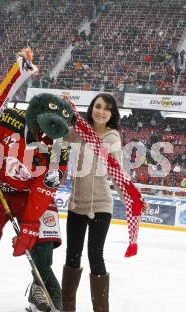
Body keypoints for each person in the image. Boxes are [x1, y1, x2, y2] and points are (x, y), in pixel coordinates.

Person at [0, 94, 76, 312]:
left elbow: (44, 189)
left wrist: (31, 225)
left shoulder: (59, 149)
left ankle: (37, 286)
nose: (46, 140)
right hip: (1, 189)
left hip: (33, 196)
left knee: (44, 239)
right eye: (42, 132)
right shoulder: (7, 119)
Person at [61, 94, 146, 312]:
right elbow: (59, 133)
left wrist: (132, 196)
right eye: (98, 106)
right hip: (76, 205)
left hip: (101, 206)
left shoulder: (112, 138)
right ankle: (67, 307)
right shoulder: (79, 131)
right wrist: (61, 109)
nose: (101, 111)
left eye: (107, 109)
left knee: (95, 255)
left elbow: (117, 173)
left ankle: (101, 309)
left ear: (111, 114)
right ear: (91, 108)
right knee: (72, 256)